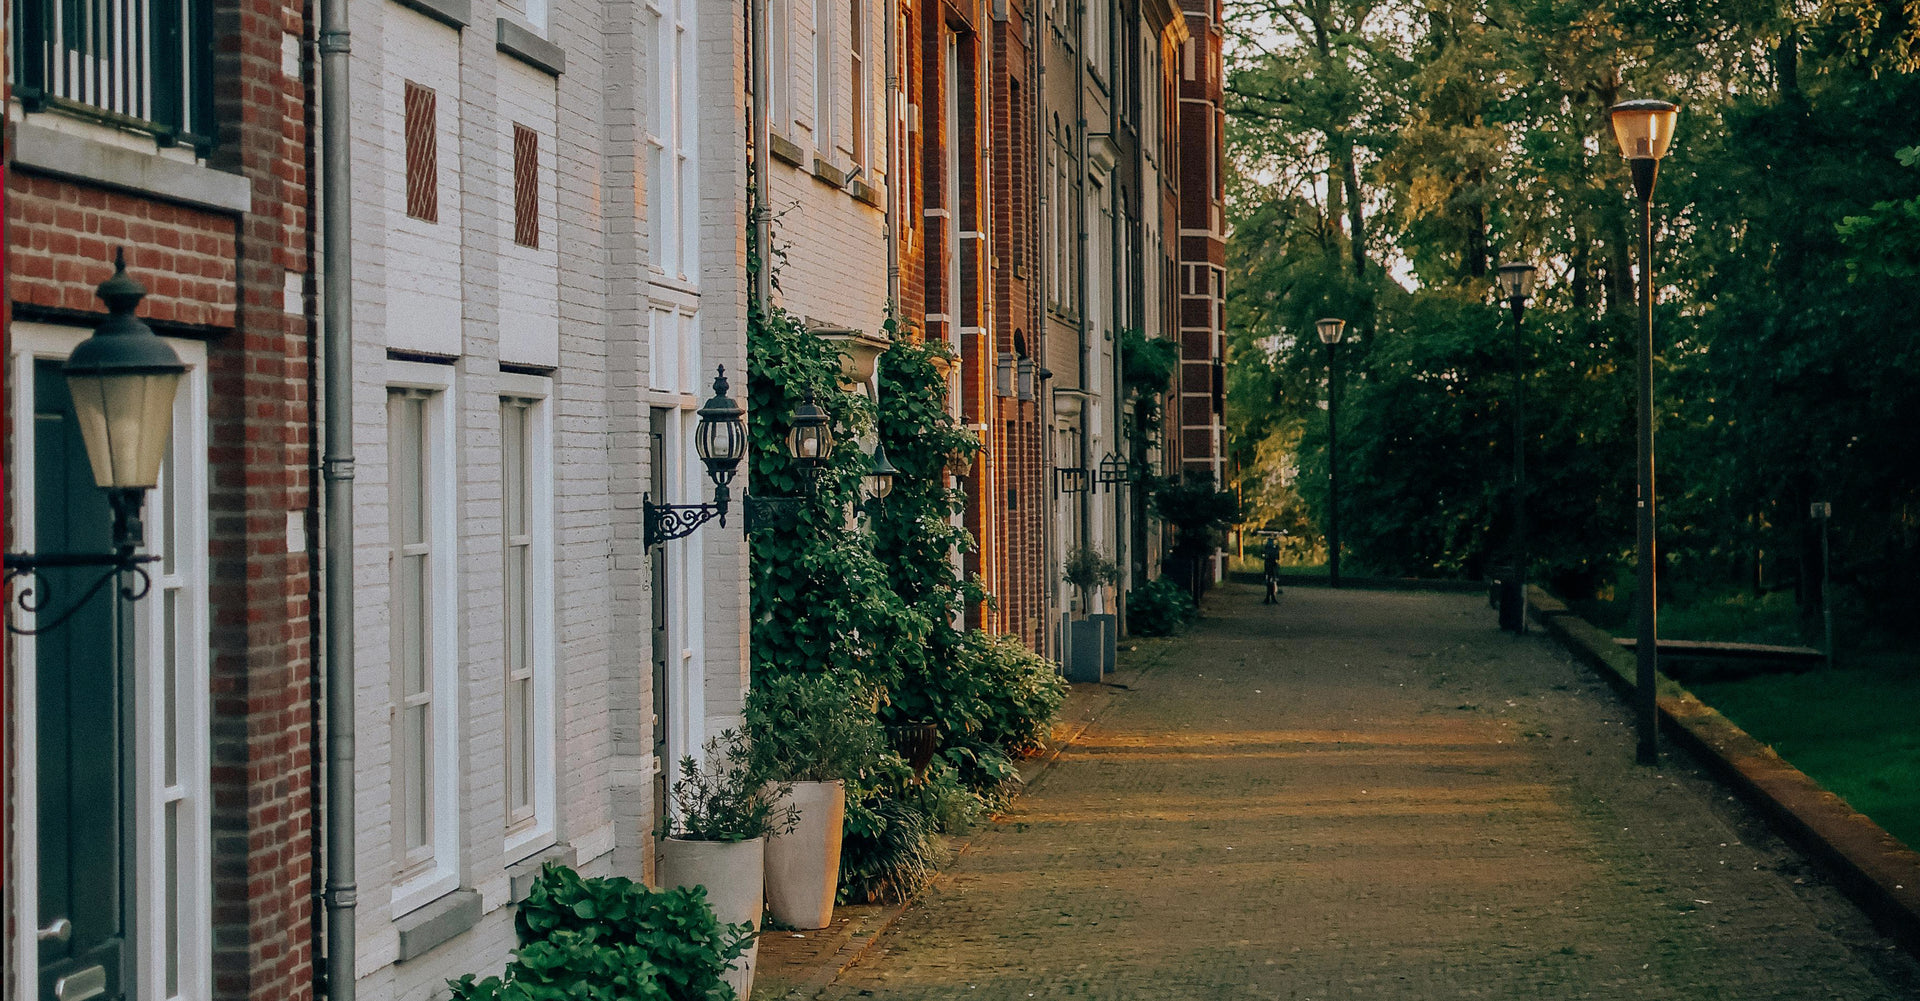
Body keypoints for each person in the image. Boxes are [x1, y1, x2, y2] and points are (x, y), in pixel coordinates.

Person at [1261, 535, 1282, 604]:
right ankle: (1271, 597)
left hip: (1269, 566)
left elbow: (1263, 556)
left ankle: (1269, 597)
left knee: (1269, 581)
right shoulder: (1274, 549)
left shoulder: (1267, 549)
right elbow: (1277, 557)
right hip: (1272, 566)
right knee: (1271, 581)